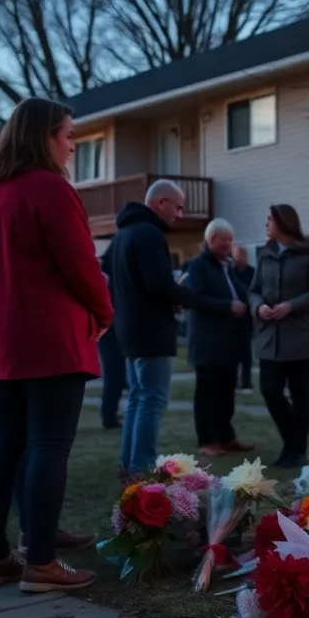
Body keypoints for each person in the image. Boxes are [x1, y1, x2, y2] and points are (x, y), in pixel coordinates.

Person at [0, 96, 113, 592]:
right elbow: (80, 264)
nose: (72, 146)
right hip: (48, 336)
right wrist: (104, 311)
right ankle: (42, 562)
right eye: (68, 135)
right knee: (49, 444)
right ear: (43, 135)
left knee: (4, 445)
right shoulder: (50, 189)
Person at [108, 179, 198, 476]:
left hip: (128, 328)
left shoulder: (122, 234)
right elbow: (159, 285)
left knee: (137, 397)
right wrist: (186, 296)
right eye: (178, 206)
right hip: (150, 329)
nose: (180, 214)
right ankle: (142, 468)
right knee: (152, 399)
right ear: (161, 203)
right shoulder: (149, 234)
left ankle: (128, 463)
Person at [250, 204, 309, 467]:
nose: (266, 224)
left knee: (299, 392)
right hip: (269, 338)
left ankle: (295, 451)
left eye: (269, 220)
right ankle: (292, 443)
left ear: (283, 224)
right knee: (270, 389)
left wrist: (291, 305)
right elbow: (253, 290)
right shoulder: (266, 255)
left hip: (300, 338)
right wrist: (258, 306)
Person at [183, 219, 254, 456]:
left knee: (226, 393)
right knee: (207, 395)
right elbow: (194, 298)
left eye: (230, 240)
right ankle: (207, 440)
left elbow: (241, 292)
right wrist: (228, 306)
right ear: (210, 240)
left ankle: (226, 437)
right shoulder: (199, 266)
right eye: (223, 239)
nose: (227, 244)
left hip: (229, 342)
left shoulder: (227, 267)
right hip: (208, 343)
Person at [98, 245, 126, 430]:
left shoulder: (110, 271)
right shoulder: (108, 275)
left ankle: (110, 413)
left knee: (116, 373)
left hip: (111, 326)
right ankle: (108, 416)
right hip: (110, 328)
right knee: (114, 372)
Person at [232, 245, 256, 392]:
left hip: (246, 318)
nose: (240, 258)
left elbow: (253, 291)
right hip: (231, 318)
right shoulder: (230, 272)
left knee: (246, 353)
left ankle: (246, 383)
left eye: (242, 255)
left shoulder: (252, 272)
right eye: (237, 255)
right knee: (232, 353)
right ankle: (233, 382)